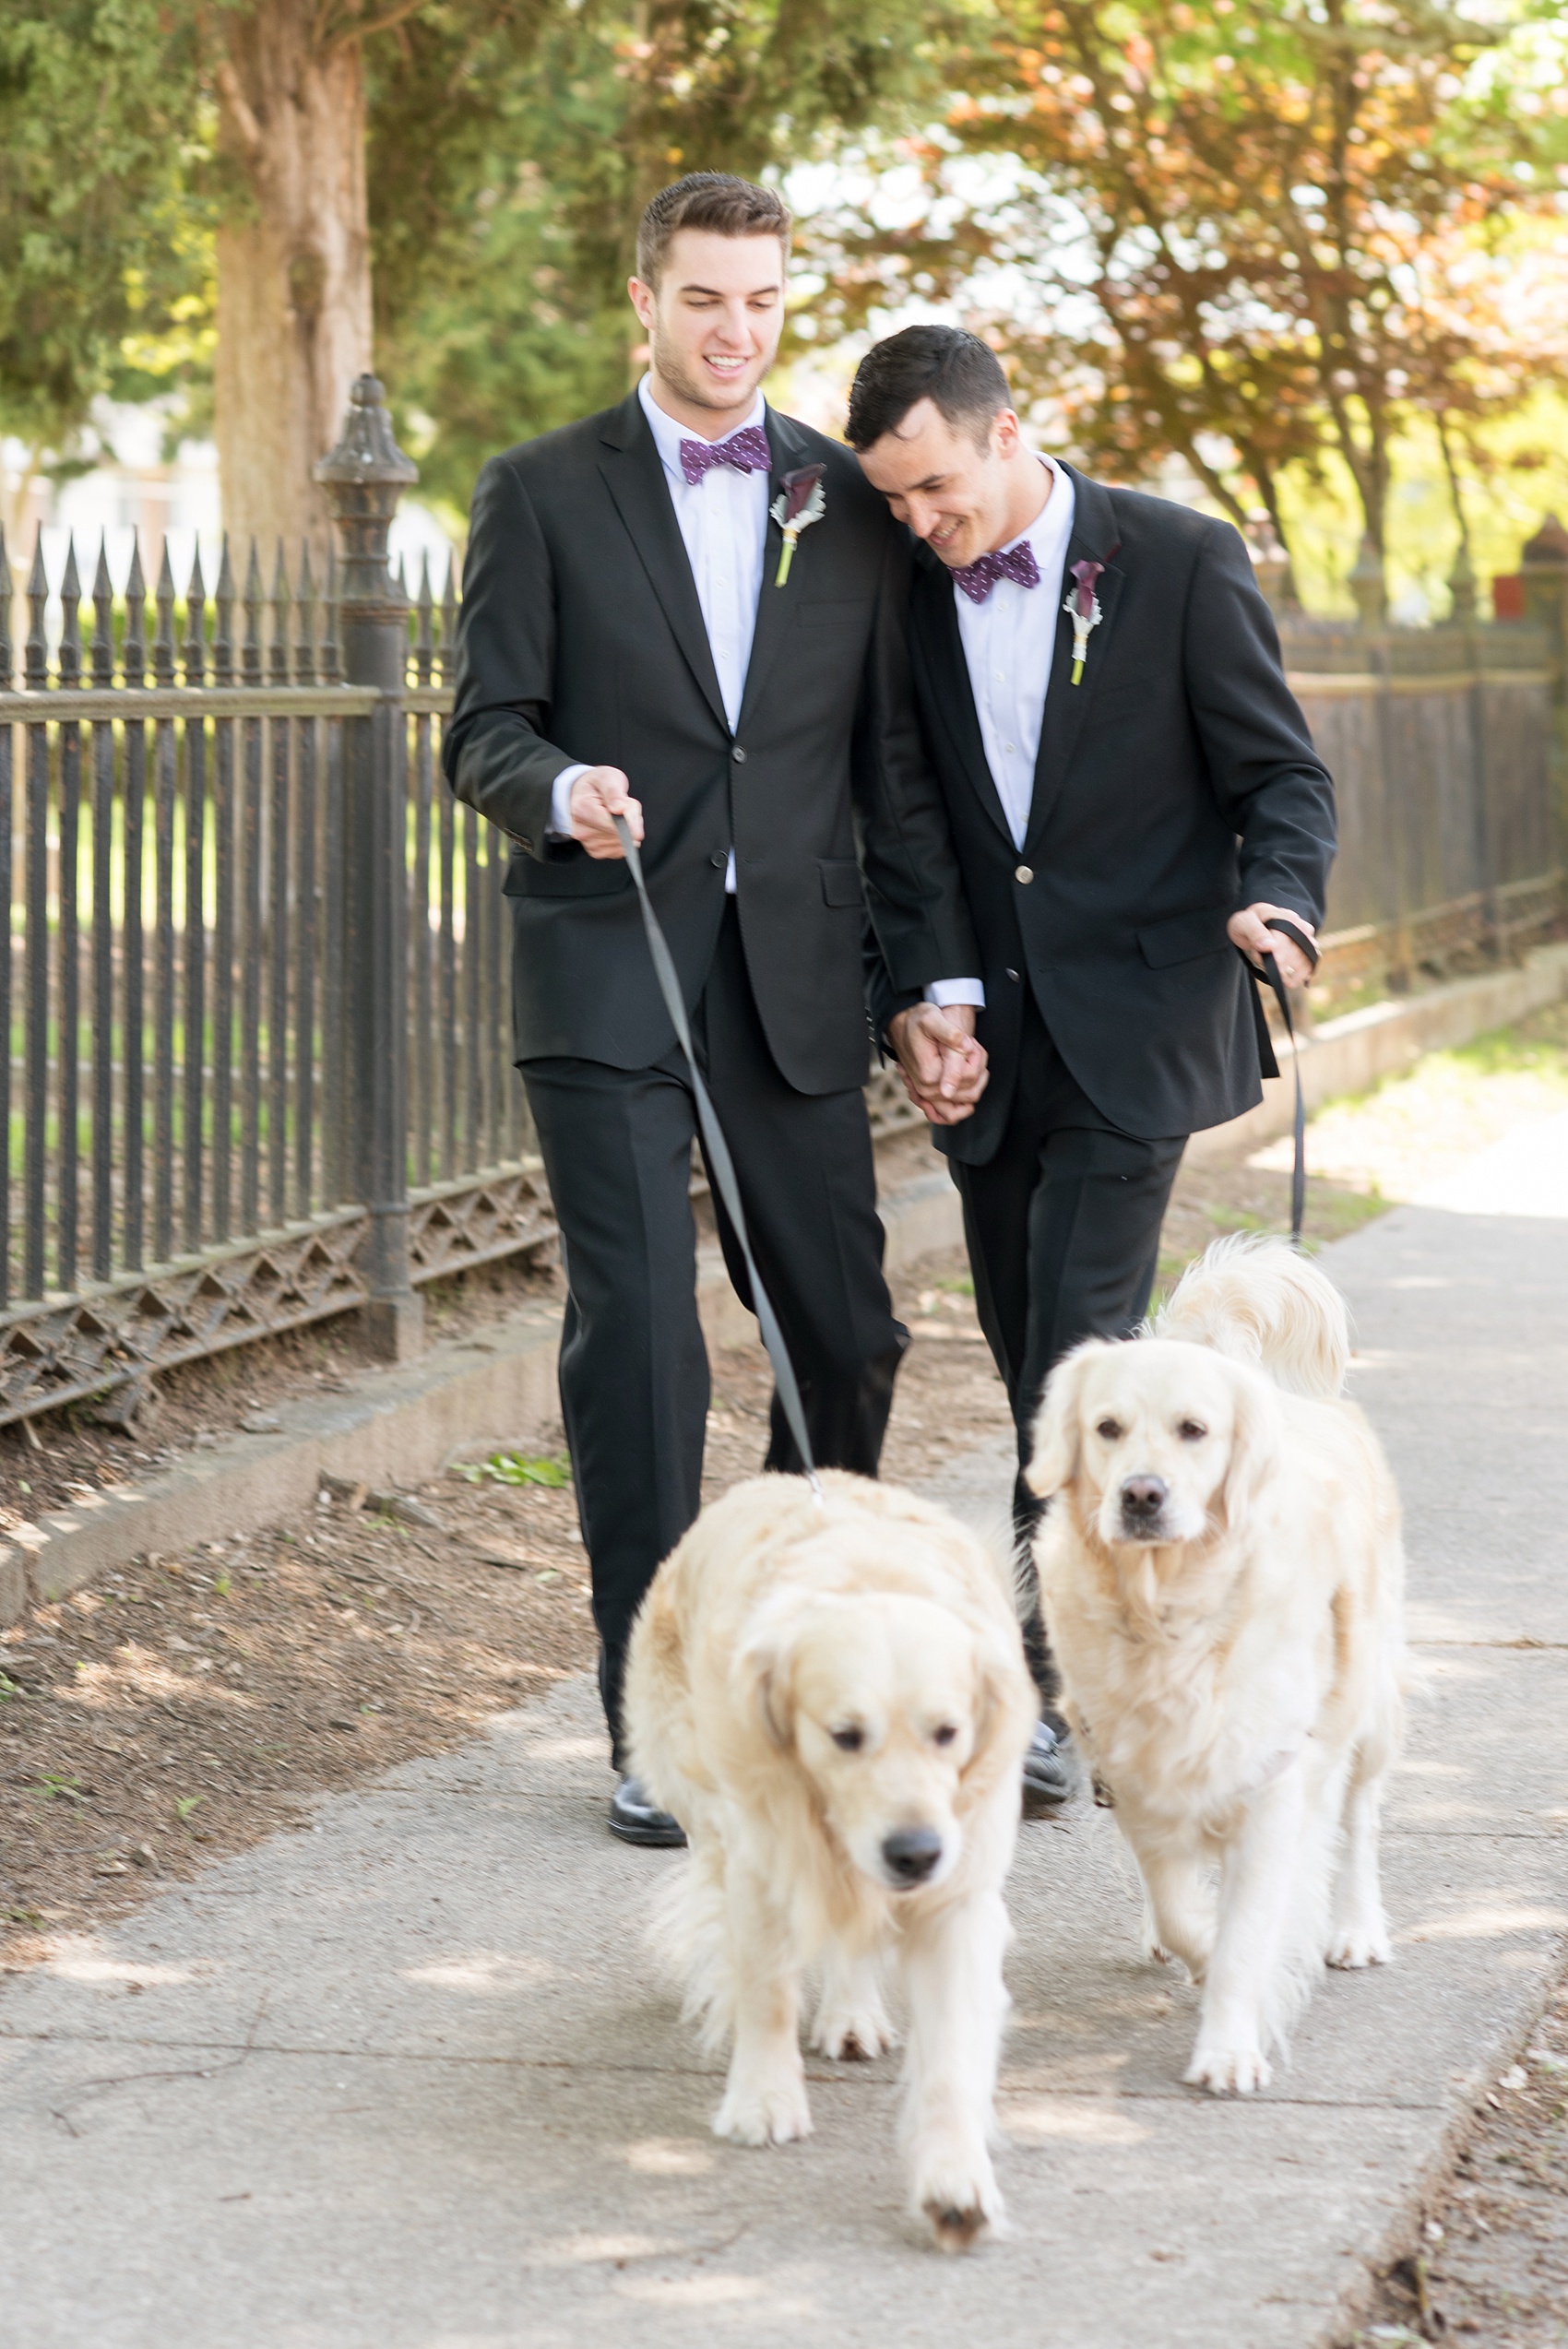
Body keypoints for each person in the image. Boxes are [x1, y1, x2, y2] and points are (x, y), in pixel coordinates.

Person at [444, 180, 986, 1845]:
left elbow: (892, 765)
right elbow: (480, 732)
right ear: (646, 300)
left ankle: (781, 1646)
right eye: (702, 299)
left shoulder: (842, 488)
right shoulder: (539, 492)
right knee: (647, 1348)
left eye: (759, 300)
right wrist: (562, 786)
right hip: (610, 965)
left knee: (845, 1333)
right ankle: (651, 1715)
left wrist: (930, 982)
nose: (733, 329)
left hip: (802, 981)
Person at [849, 326, 1336, 1799]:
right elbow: (907, 810)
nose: (922, 525)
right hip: (990, 1045)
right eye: (895, 504)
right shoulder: (905, 591)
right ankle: (1139, 1632)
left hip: (1143, 1021)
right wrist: (926, 994)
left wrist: (1286, 902)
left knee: (1077, 1347)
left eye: (936, 488)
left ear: (1007, 435)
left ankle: (1034, 1700)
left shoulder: (1178, 559)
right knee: (1032, 1374)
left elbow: (1279, 773)